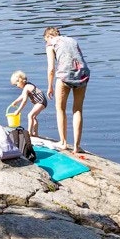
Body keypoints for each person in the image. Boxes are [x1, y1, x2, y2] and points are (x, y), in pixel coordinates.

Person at [44, 25, 91, 153]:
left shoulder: (50, 44)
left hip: (64, 75)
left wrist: (50, 86)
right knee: (77, 110)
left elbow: (51, 68)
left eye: (45, 39)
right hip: (82, 74)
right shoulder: (72, 40)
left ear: (48, 37)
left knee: (60, 108)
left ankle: (63, 142)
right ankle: (76, 146)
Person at [6, 69, 48, 137]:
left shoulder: (27, 87)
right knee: (33, 117)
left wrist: (18, 110)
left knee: (30, 115)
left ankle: (29, 133)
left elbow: (24, 100)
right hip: (42, 101)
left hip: (40, 102)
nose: (17, 86)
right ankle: (35, 133)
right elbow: (22, 96)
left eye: (16, 84)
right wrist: (16, 101)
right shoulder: (27, 86)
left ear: (20, 80)